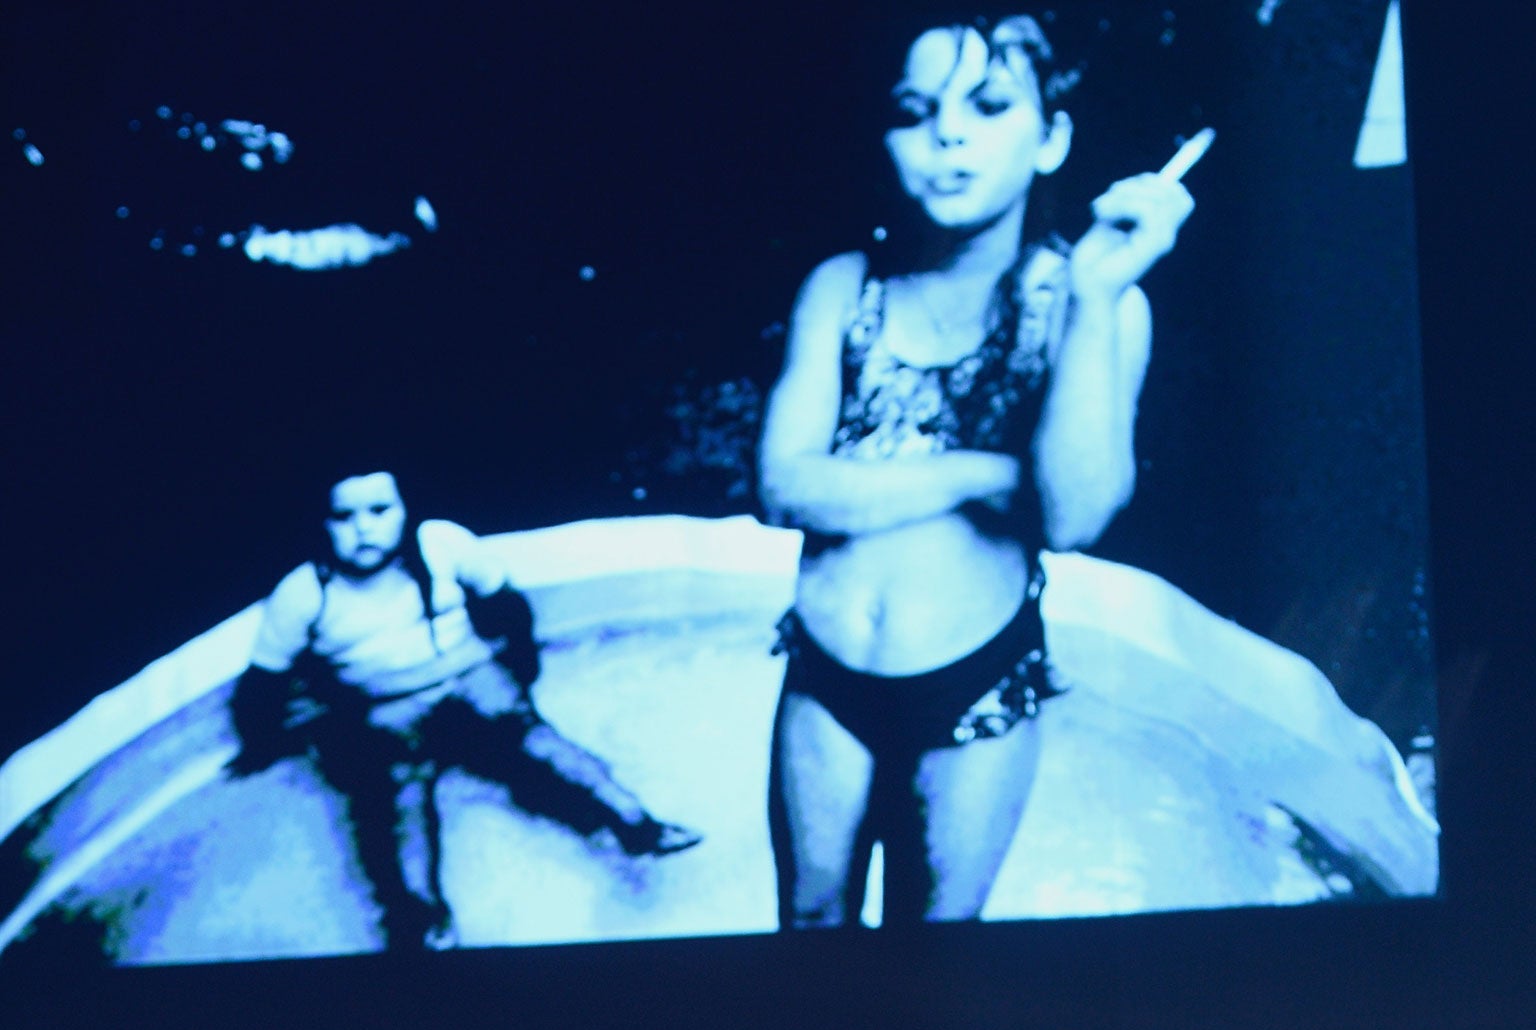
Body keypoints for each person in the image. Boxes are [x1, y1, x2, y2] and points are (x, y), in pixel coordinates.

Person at [758, 10, 1193, 925]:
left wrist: (1097, 298)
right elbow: (785, 487)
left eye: (989, 106)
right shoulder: (845, 289)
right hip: (826, 677)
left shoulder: (1094, 303)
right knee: (805, 925)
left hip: (978, 689)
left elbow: (1073, 517)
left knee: (939, 951)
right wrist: (984, 475)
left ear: (1052, 138)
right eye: (916, 113)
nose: (947, 135)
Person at [228, 469, 701, 948]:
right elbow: (265, 681)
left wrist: (519, 670)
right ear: (321, 526)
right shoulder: (305, 592)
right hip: (385, 704)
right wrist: (261, 743)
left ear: (407, 510)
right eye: (343, 517)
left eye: (379, 511)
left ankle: (635, 822)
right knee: (399, 793)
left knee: (533, 738)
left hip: (469, 673)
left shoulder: (441, 545)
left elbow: (507, 605)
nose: (364, 529)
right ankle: (423, 915)